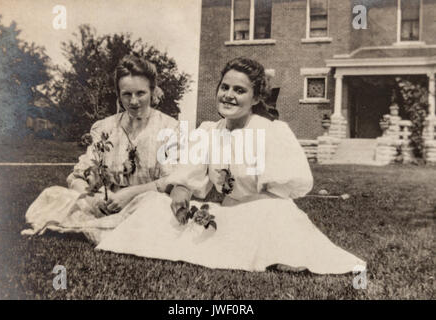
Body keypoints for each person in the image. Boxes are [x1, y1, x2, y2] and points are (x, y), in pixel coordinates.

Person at [95, 57, 366, 274]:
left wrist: (244, 209)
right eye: (225, 87)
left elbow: (286, 191)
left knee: (274, 216)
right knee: (155, 203)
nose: (229, 95)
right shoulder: (209, 131)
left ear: (256, 98)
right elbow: (189, 176)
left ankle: (270, 249)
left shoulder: (272, 131)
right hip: (225, 216)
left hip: (264, 214)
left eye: (239, 90)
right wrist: (181, 191)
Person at [22, 55, 179, 243]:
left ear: (152, 92)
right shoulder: (104, 128)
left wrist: (128, 194)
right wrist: (96, 198)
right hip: (104, 205)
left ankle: (92, 227)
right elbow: (79, 175)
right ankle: (104, 225)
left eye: (140, 93)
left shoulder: (169, 128)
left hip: (143, 202)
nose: (134, 101)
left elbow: (170, 180)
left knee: (157, 206)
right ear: (118, 94)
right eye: (126, 94)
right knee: (54, 194)